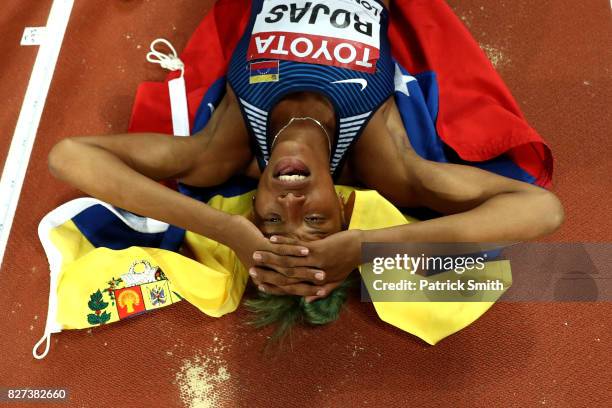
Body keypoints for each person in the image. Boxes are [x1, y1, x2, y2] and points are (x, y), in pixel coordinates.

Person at [48, 0, 563, 308]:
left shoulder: (225, 148)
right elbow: (542, 210)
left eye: (271, 219)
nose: (290, 200)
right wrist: (368, 248)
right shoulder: (385, 161)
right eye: (315, 218)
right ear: (344, 204)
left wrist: (225, 230)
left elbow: (70, 155)